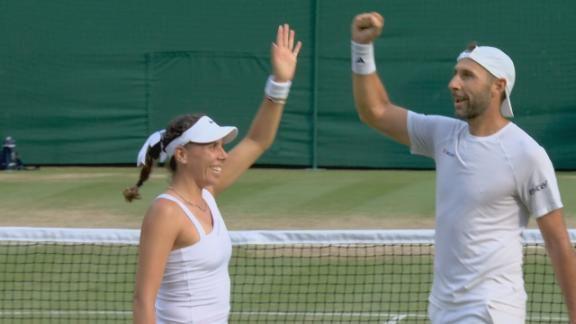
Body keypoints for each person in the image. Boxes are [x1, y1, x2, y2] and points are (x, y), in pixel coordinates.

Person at [350, 12, 576, 324]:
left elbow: (557, 241)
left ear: (498, 86)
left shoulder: (526, 154)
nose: (453, 83)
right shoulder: (442, 134)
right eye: (456, 74)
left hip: (491, 310)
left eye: (467, 76)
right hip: (444, 309)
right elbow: (375, 111)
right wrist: (362, 49)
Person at [126, 24, 301, 324]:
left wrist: (280, 83)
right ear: (181, 155)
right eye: (212, 146)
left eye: (222, 146)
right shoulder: (166, 213)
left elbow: (258, 140)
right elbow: (144, 301)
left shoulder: (207, 195)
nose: (222, 154)